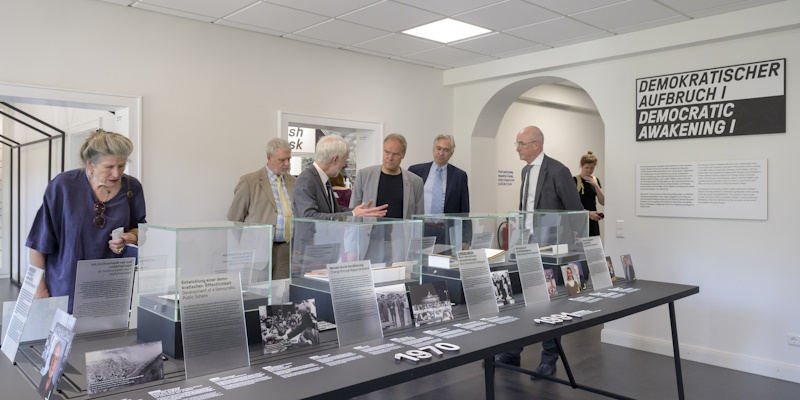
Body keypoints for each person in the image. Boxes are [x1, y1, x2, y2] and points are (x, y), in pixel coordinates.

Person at [496, 125, 582, 378]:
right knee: (522, 300)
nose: (517, 148)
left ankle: (549, 359)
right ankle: (512, 352)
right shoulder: (525, 171)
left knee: (550, 304)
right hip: (526, 245)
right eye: (517, 143)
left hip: (552, 247)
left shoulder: (558, 170)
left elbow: (575, 210)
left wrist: (572, 246)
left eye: (521, 144)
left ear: (537, 144)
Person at [27, 129, 146, 313]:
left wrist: (129, 238)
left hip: (112, 290)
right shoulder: (63, 186)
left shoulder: (132, 187)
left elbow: (143, 230)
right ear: (90, 165)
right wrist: (39, 290)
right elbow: (38, 243)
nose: (116, 173)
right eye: (109, 167)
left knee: (110, 341)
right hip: (66, 291)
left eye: (121, 166)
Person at [227, 138, 295, 280]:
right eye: (282, 159)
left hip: (286, 250)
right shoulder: (249, 181)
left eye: (289, 159)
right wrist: (251, 240)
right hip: (257, 252)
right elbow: (234, 218)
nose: (287, 164)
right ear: (269, 157)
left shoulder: (293, 181)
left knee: (282, 295)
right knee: (257, 295)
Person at [292, 134, 387, 218]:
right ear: (335, 159)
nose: (344, 165)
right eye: (344, 160)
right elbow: (309, 217)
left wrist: (360, 211)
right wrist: (353, 214)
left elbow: (333, 210)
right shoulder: (306, 179)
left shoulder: (322, 179)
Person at [408, 134, 471, 249]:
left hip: (446, 232)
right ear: (433, 149)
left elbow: (465, 210)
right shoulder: (415, 171)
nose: (441, 153)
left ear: (451, 153)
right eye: (438, 148)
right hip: (421, 230)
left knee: (445, 264)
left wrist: (466, 239)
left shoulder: (459, 176)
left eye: (446, 150)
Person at [350, 133, 424, 219]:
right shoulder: (364, 175)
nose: (390, 157)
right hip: (370, 231)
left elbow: (419, 219)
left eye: (395, 154)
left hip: (401, 231)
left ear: (403, 154)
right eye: (387, 152)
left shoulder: (415, 182)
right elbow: (353, 212)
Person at [574, 151, 605, 236]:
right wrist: (587, 213)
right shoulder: (575, 180)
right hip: (579, 219)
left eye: (592, 168)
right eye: (586, 167)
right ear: (581, 166)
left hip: (593, 219)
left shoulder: (595, 180)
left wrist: (596, 185)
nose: (589, 170)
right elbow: (572, 204)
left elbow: (603, 202)